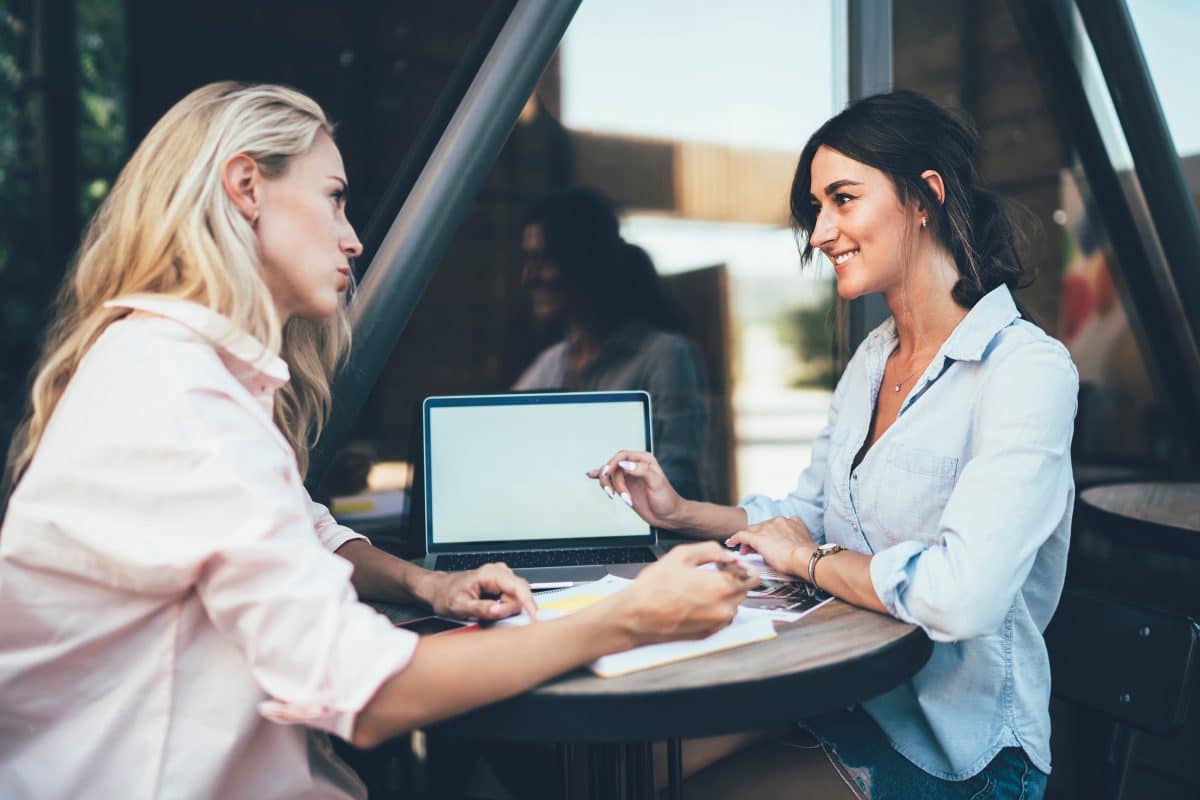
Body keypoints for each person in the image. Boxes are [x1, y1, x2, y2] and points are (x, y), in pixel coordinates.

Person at [0, 82, 758, 799]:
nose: (353, 238)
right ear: (245, 186)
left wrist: (427, 585)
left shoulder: (174, 369)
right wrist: (630, 616)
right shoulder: (179, 391)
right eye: (333, 199)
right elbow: (366, 692)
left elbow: (303, 529)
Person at [591, 90, 1078, 799]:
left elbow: (961, 596)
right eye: (816, 209)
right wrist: (678, 513)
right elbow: (803, 517)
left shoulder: (1025, 370)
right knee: (631, 767)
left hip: (960, 753)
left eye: (842, 200)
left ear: (925, 199)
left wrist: (809, 562)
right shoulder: (874, 360)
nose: (820, 232)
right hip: (847, 702)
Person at [514, 186, 708, 501]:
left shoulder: (663, 356)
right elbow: (508, 443)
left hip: (654, 542)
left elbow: (677, 482)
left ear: (585, 261)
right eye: (528, 260)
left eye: (545, 260)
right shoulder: (552, 362)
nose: (528, 277)